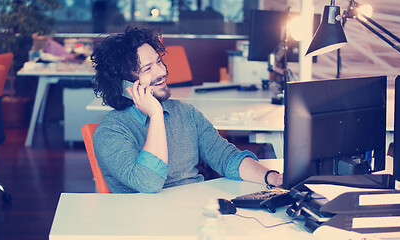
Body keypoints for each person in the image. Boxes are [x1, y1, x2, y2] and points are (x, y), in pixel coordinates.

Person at [90, 26, 282, 193]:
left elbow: (226, 158)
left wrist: (272, 178)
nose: (162, 71)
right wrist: (156, 115)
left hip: (192, 213)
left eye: (158, 61)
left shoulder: (186, 114)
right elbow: (149, 182)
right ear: (125, 86)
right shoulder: (110, 132)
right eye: (147, 69)